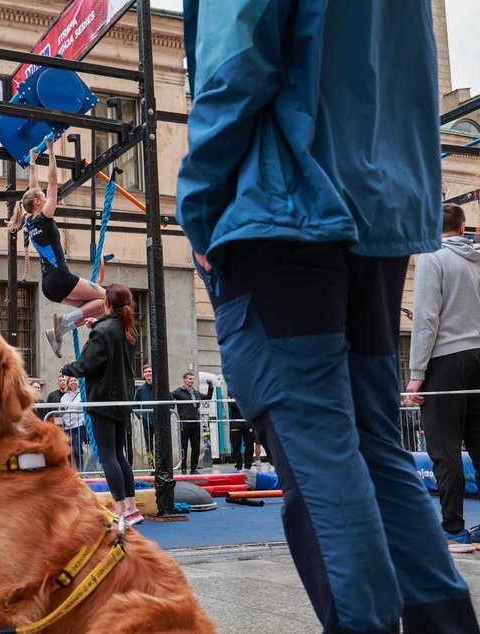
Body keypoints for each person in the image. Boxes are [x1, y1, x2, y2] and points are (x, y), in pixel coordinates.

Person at [177, 1, 477, 630]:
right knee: (373, 446)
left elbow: (236, 56)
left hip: (284, 199)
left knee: (319, 452)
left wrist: (199, 204)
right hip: (380, 206)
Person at [406, 203, 480, 552]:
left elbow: (425, 320)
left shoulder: (432, 258)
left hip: (446, 359)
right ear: (464, 226)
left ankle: (452, 529)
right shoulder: (477, 260)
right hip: (478, 357)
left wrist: (416, 374)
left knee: (444, 445)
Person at [6, 136, 106, 359]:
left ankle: (58, 331)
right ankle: (65, 321)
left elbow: (33, 190)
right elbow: (52, 183)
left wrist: (33, 161)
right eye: (43, 197)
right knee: (106, 298)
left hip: (48, 286)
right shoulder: (44, 216)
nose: (45, 195)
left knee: (96, 307)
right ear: (40, 203)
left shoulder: (30, 221)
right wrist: (50, 151)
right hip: (60, 277)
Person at [61, 284, 141, 525]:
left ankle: (119, 510)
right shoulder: (128, 329)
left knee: (108, 456)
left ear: (107, 303)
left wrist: (67, 369)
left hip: (104, 398)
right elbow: (110, 340)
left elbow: (85, 366)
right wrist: (97, 324)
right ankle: (131, 507)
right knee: (119, 454)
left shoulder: (104, 330)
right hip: (122, 398)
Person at [170, 372, 213, 475]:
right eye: (190, 379)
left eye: (193, 379)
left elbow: (207, 398)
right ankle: (183, 468)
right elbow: (169, 397)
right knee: (183, 446)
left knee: (196, 446)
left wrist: (210, 387)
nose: (192, 381)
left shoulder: (196, 393)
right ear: (184, 380)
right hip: (184, 422)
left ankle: (193, 468)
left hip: (195, 422)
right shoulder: (178, 392)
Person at [60, 376, 86, 471]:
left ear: (78, 382)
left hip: (78, 425)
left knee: (77, 451)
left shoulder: (82, 394)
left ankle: (80, 473)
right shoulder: (65, 396)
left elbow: (80, 407)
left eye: (75, 380)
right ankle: (70, 472)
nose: (73, 382)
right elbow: (61, 408)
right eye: (71, 380)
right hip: (67, 426)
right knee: (67, 451)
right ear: (68, 383)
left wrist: (68, 408)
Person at [133, 364, 155, 466]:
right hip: (147, 423)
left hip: (160, 423)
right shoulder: (140, 390)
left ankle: (162, 467)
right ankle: (152, 467)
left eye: (149, 371)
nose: (148, 374)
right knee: (149, 447)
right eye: (146, 372)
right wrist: (140, 415)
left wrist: (167, 413)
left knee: (161, 447)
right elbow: (135, 405)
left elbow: (171, 402)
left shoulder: (161, 387)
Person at [227, 392, 254, 471]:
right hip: (235, 422)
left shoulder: (250, 390)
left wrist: (239, 402)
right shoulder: (232, 390)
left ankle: (248, 467)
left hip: (248, 422)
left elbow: (254, 404)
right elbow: (232, 405)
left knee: (249, 446)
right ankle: (238, 465)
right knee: (236, 445)